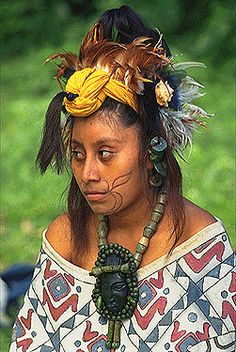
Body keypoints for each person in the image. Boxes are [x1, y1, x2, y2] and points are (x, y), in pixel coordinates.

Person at [10, 5, 235, 352]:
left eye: (105, 154)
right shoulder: (64, 240)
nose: (88, 174)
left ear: (150, 149)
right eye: (77, 153)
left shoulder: (202, 250)